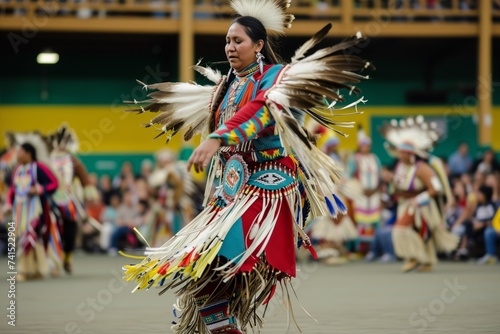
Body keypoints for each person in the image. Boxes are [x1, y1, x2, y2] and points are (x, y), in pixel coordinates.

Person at [123, 1, 373, 332]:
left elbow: (261, 111)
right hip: (230, 193)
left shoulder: (275, 79)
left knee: (219, 262)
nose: (229, 47)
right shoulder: (223, 90)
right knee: (204, 276)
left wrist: (217, 137)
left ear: (258, 45)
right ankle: (225, 327)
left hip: (266, 187)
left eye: (237, 41)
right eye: (227, 41)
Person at [381, 116, 458, 273]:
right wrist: (391, 180)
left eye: (403, 153)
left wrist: (418, 200)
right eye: (399, 152)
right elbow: (400, 187)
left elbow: (435, 188)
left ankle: (414, 257)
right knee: (420, 233)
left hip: (421, 206)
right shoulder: (400, 167)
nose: (399, 155)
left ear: (411, 154)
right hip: (405, 203)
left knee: (400, 229)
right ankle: (427, 261)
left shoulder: (422, 168)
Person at [4, 143, 59, 281]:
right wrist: (9, 204)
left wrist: (38, 189)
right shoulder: (17, 170)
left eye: (20, 152)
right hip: (19, 210)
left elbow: (54, 183)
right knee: (23, 236)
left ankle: (29, 270)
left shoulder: (39, 168)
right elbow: (12, 189)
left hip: (36, 210)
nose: (18, 155)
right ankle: (33, 269)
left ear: (29, 153)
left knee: (32, 236)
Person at [47, 124, 98, 274]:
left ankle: (67, 257)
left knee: (70, 233)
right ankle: (53, 263)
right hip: (50, 201)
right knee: (52, 230)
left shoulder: (73, 161)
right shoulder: (48, 161)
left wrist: (89, 195)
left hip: (69, 201)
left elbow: (85, 180)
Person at [347, 126, 382, 255]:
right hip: (360, 195)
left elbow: (380, 176)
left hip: (374, 194)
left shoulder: (375, 159)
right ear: (359, 146)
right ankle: (359, 249)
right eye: (363, 145)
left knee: (374, 222)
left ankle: (375, 249)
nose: (365, 147)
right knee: (360, 222)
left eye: (367, 145)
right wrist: (358, 189)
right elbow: (349, 175)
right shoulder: (355, 159)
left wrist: (375, 189)